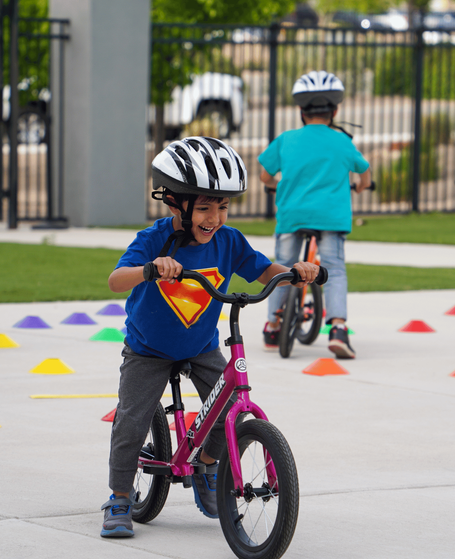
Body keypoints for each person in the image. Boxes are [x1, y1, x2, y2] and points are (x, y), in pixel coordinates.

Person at [101, 137, 320, 538]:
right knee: (131, 422)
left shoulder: (228, 240)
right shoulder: (154, 240)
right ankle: (118, 497)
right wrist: (150, 268)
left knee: (229, 406)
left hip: (200, 345)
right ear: (175, 204)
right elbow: (116, 281)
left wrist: (295, 271)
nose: (214, 217)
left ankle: (205, 465)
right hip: (148, 348)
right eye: (204, 207)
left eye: (222, 206)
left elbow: (262, 269)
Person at [258, 70, 371, 359]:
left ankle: (273, 325)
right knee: (333, 267)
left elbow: (264, 175)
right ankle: (338, 330)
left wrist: (275, 186)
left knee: (283, 266)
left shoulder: (286, 140)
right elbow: (365, 174)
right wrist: (359, 186)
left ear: (301, 111)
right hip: (331, 217)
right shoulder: (342, 141)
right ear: (334, 111)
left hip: (292, 214)